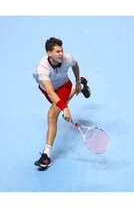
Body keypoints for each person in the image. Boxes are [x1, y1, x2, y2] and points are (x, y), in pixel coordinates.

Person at [33, 37, 91, 168]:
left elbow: (75, 65)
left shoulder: (67, 58)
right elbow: (50, 92)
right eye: (57, 51)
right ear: (49, 53)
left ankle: (46, 156)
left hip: (64, 86)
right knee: (58, 106)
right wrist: (65, 107)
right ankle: (82, 85)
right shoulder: (42, 69)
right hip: (49, 90)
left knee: (52, 114)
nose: (61, 54)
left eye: (62, 51)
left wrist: (76, 80)